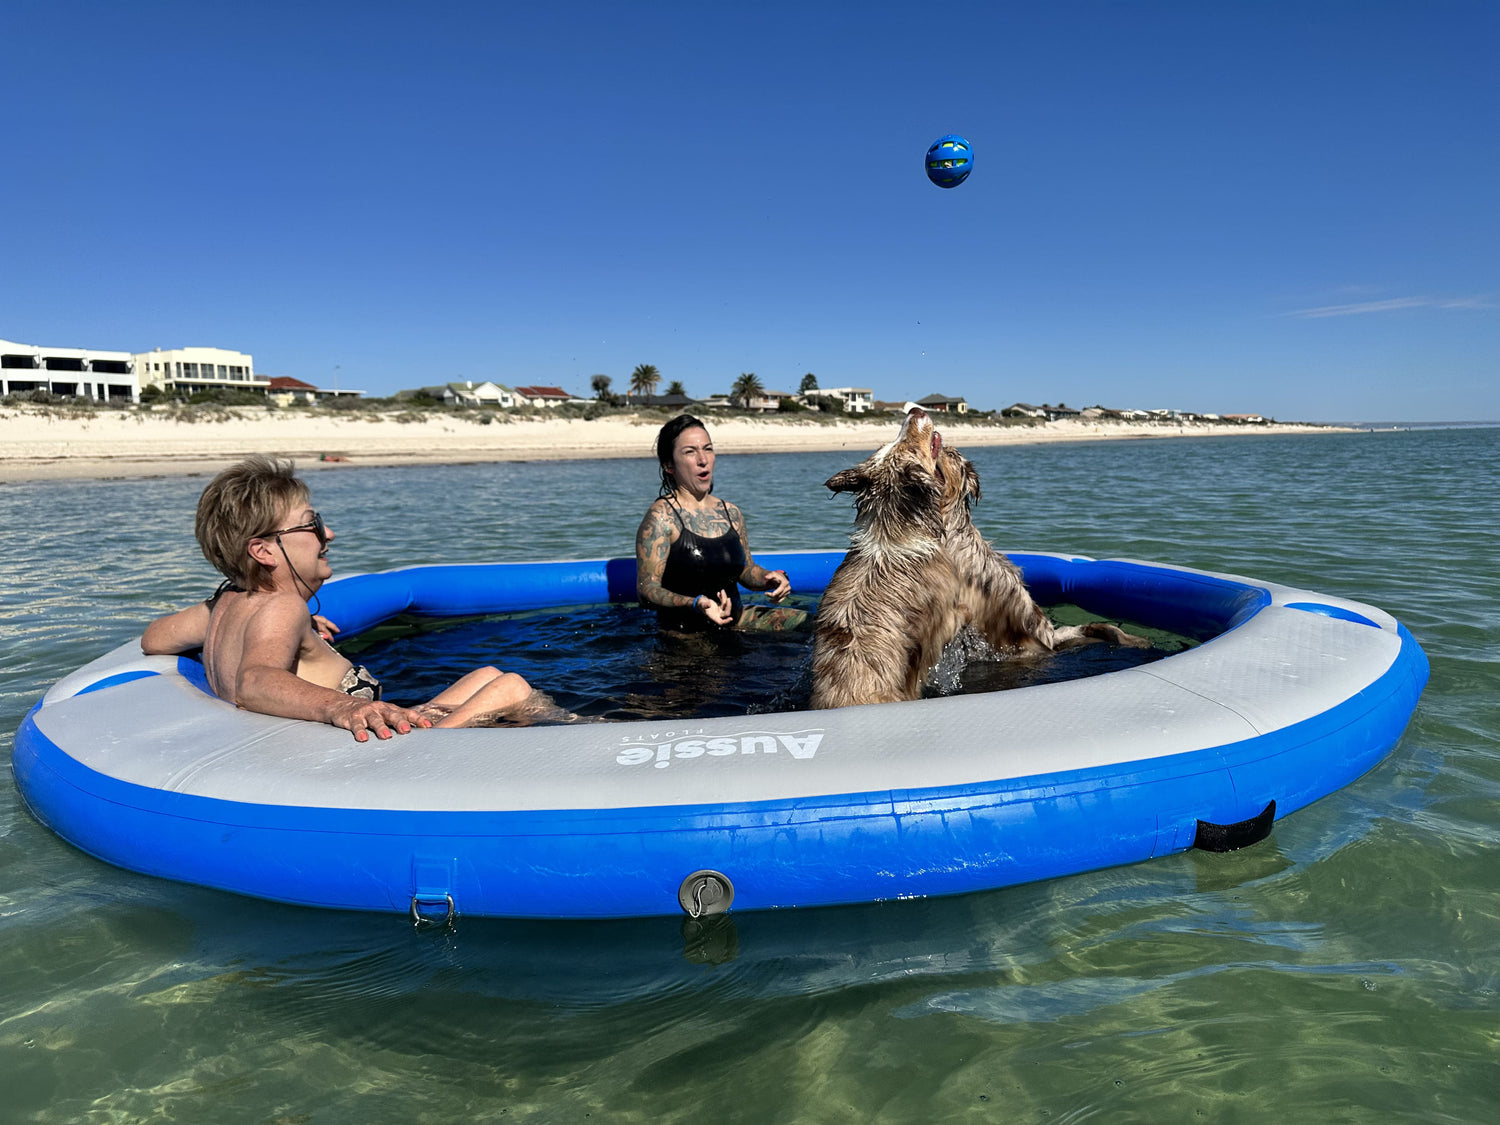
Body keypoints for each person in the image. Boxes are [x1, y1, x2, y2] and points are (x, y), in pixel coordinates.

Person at [143, 456, 567, 741]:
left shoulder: (229, 605)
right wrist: (341, 708)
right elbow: (253, 682)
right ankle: (578, 739)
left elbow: (154, 639)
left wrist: (299, 630)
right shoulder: (283, 606)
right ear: (264, 551)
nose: (328, 535)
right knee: (511, 686)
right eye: (312, 525)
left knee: (487, 674)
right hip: (382, 748)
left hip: (373, 732)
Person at [635, 414, 807, 632]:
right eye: (690, 451)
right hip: (685, 633)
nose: (703, 459)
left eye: (707, 449)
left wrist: (770, 579)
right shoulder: (661, 518)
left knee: (823, 628)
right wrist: (696, 603)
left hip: (737, 619)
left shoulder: (730, 513)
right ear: (669, 465)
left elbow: (745, 570)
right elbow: (646, 590)